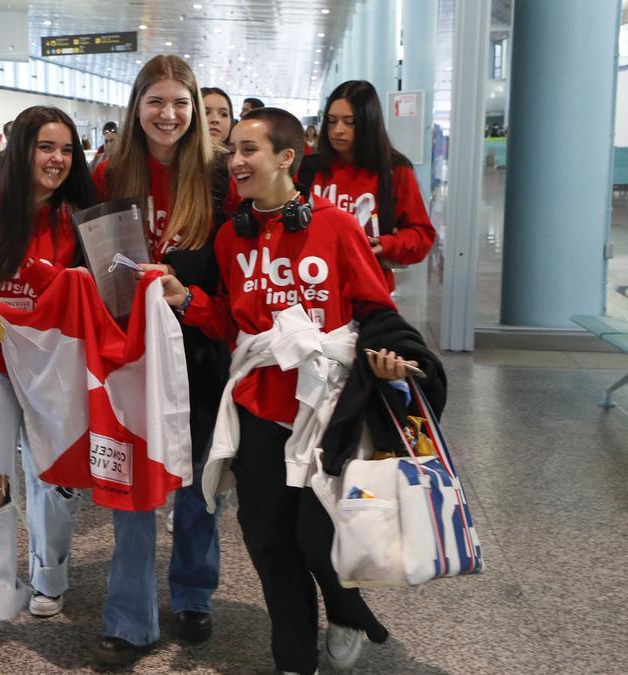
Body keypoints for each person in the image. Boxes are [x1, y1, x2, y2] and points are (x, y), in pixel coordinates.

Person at [159, 106, 402, 675]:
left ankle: (344, 609)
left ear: (286, 157)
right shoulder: (230, 239)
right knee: (269, 541)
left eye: (249, 150)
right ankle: (293, 659)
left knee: (319, 538)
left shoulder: (336, 227)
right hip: (260, 408)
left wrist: (394, 361)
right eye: (233, 151)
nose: (236, 161)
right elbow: (230, 323)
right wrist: (187, 300)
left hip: (329, 406)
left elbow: (376, 308)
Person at [89, 54, 231, 667]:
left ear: (195, 110)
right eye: (156, 102)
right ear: (137, 106)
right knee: (134, 488)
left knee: (199, 486)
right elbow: (88, 265)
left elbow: (235, 289)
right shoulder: (109, 176)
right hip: (131, 356)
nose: (168, 115)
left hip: (199, 351)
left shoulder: (222, 178)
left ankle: (194, 593)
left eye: (180, 103)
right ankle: (130, 615)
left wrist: (191, 302)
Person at [0, 104, 93, 666]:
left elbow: (102, 289)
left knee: (56, 477)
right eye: (46, 147)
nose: (56, 160)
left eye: (66, 150)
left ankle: (49, 576)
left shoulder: (76, 218)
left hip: (52, 366)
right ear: (22, 148)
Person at [304, 80, 435, 291]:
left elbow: (421, 235)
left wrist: (384, 244)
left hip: (368, 291)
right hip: (312, 289)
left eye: (350, 122)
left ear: (368, 123)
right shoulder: (309, 168)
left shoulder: (394, 170)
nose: (338, 130)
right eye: (332, 120)